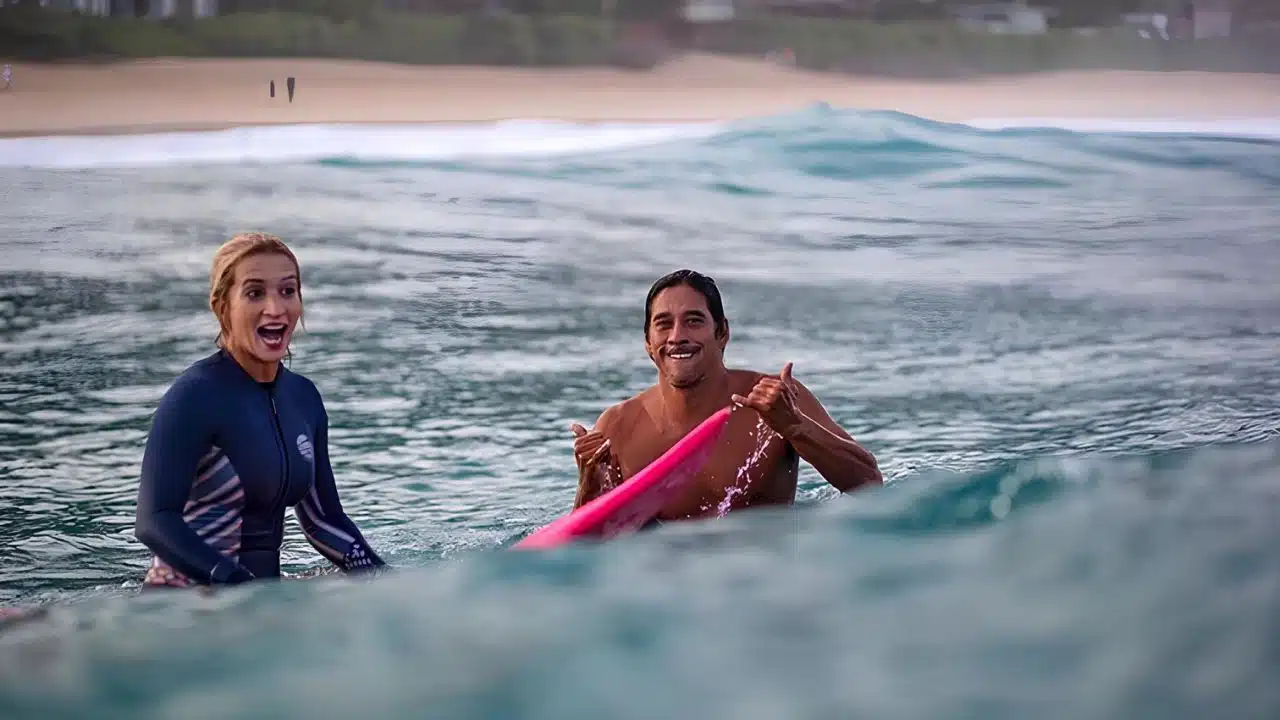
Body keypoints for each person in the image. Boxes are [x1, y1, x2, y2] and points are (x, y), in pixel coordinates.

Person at [134, 232, 385, 588]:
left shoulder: (304, 399)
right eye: (254, 293)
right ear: (222, 306)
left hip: (261, 605)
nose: (276, 308)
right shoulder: (195, 395)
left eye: (287, 291)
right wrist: (235, 583)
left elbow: (323, 521)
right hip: (184, 607)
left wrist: (385, 579)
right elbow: (154, 521)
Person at [571, 269, 882, 521]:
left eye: (693, 321)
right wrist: (589, 487)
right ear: (648, 343)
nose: (677, 337)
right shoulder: (618, 429)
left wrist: (795, 427)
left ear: (722, 333)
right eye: (664, 325)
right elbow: (583, 543)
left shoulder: (777, 400)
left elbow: (869, 483)